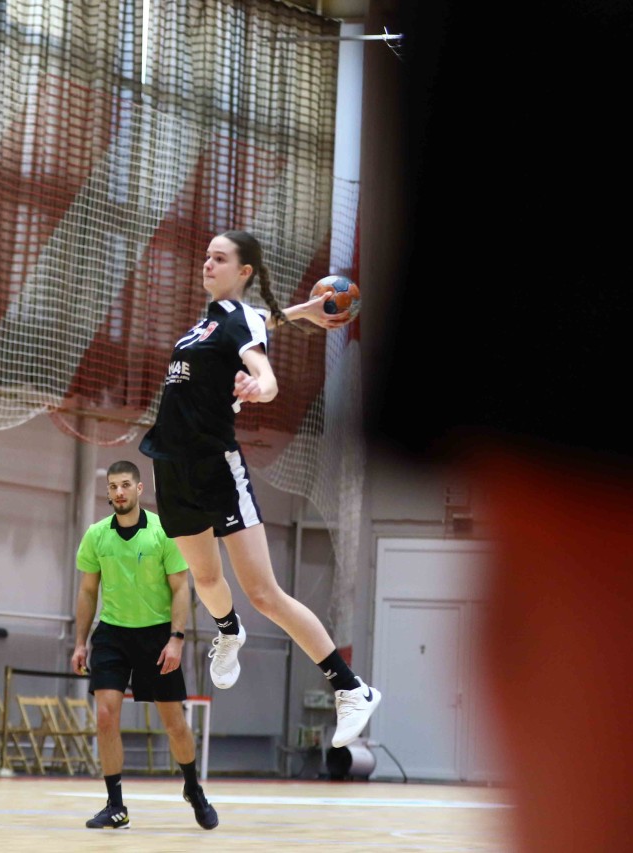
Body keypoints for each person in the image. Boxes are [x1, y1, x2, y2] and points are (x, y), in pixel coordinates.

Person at [137, 231, 381, 750]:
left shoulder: (238, 320)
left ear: (244, 271)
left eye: (219, 258)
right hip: (171, 466)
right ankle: (229, 631)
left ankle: (351, 688)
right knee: (205, 577)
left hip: (216, 468)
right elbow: (254, 321)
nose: (207, 263)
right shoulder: (210, 322)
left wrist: (260, 388)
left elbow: (264, 372)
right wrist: (305, 311)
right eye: (206, 256)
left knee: (264, 594)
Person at [70, 459, 217, 831]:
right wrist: (80, 643)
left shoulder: (163, 532)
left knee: (174, 724)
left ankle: (193, 788)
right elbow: (88, 592)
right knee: (106, 717)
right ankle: (115, 805)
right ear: (108, 492)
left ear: (138, 489)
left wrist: (176, 639)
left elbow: (181, 588)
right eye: (112, 486)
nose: (118, 492)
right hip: (112, 635)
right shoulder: (96, 535)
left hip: (157, 636)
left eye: (125, 485)